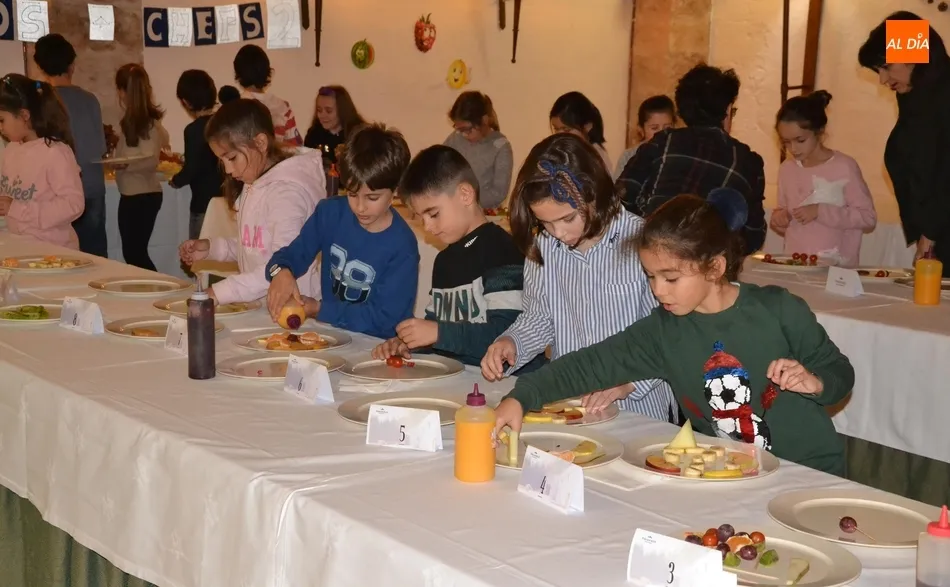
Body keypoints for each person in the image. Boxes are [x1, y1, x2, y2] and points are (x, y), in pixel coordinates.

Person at [492, 191, 855, 476]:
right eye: (651, 277)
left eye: (671, 278)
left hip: (808, 471)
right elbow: (590, 364)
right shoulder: (664, 330)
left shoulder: (778, 310)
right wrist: (523, 396)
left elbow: (839, 372)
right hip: (733, 474)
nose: (658, 290)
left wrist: (817, 382)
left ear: (714, 267)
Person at [480, 133, 677, 421]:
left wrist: (629, 383)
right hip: (570, 404)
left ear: (595, 193)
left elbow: (670, 334)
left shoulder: (643, 242)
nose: (558, 233)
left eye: (567, 218)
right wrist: (511, 343)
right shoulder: (545, 245)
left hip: (639, 411)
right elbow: (539, 318)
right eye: (545, 222)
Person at [372, 145, 544, 372]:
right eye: (420, 217)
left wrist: (436, 333)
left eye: (433, 214)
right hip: (463, 379)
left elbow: (507, 335)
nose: (427, 226)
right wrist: (410, 343)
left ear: (465, 195)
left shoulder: (502, 250)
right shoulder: (443, 261)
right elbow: (440, 332)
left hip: (510, 383)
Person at [264, 124, 419, 339]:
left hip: (378, 345)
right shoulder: (330, 213)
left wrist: (320, 309)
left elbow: (385, 320)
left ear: (395, 192)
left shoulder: (402, 245)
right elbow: (289, 255)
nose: (360, 207)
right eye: (352, 194)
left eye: (372, 198)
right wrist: (281, 272)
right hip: (334, 334)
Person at [178, 99, 323, 305]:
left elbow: (279, 267)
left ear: (261, 143)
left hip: (294, 312)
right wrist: (212, 248)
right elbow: (255, 248)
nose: (227, 170)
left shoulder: (287, 194)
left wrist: (218, 293)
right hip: (263, 308)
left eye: (232, 158)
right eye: (222, 161)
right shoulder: (252, 182)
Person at [616, 64, 767, 255]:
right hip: (706, 268)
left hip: (652, 263)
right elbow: (753, 236)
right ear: (727, 110)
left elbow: (621, 201)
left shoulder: (662, 143)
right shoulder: (747, 162)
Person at [859, 12, 950, 271]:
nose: (883, 80)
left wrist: (930, 234)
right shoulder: (918, 99)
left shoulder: (943, 96)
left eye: (886, 67)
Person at [770, 91, 876, 267]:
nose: (793, 148)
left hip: (837, 271)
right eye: (786, 142)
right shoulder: (787, 169)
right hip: (795, 266)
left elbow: (868, 218)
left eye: (800, 140)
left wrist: (821, 211)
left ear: (819, 132)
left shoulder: (844, 166)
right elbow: (783, 211)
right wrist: (779, 218)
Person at [33, 33, 107, 257]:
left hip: (55, 194)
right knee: (95, 256)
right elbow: (99, 148)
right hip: (91, 186)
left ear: (41, 67)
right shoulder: (89, 99)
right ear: (72, 65)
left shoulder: (39, 102)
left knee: (60, 258)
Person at [0, 74, 84, 248]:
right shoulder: (11, 149)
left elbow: (73, 205)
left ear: (24, 115)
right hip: (20, 248)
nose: (0, 127)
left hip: (54, 252)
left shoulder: (54, 152)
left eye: (2, 120)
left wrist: (17, 209)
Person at [112, 64, 170, 271]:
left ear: (122, 91)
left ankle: (158, 290)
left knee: (135, 253)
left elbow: (149, 160)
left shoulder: (147, 123)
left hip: (141, 194)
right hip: (135, 192)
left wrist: (123, 164)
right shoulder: (139, 121)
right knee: (134, 253)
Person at [170, 70, 225, 239]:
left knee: (199, 259)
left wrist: (175, 180)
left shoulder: (193, 130)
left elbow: (191, 169)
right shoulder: (225, 122)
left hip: (203, 205)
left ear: (186, 102)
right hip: (228, 203)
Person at [443, 91, 513, 209]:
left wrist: (465, 199)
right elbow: (440, 167)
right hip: (454, 209)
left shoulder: (500, 146)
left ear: (484, 121)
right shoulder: (455, 138)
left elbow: (498, 193)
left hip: (482, 214)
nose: (463, 135)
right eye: (459, 129)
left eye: (468, 130)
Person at [233, 44, 302, 147]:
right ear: (267, 72)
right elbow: (295, 146)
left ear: (238, 74)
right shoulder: (283, 106)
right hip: (278, 161)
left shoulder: (233, 108)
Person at [613, 95, 676, 180]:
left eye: (667, 127)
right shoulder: (629, 155)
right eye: (654, 128)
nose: (662, 133)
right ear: (641, 129)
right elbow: (618, 188)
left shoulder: (679, 153)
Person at [549, 91, 612, 172]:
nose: (560, 135)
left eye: (567, 130)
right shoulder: (559, 152)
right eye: (556, 129)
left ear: (587, 126)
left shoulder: (597, 158)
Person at [303, 85, 366, 165]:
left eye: (328, 111)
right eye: (319, 110)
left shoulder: (360, 137)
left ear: (342, 111)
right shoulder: (313, 135)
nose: (322, 115)